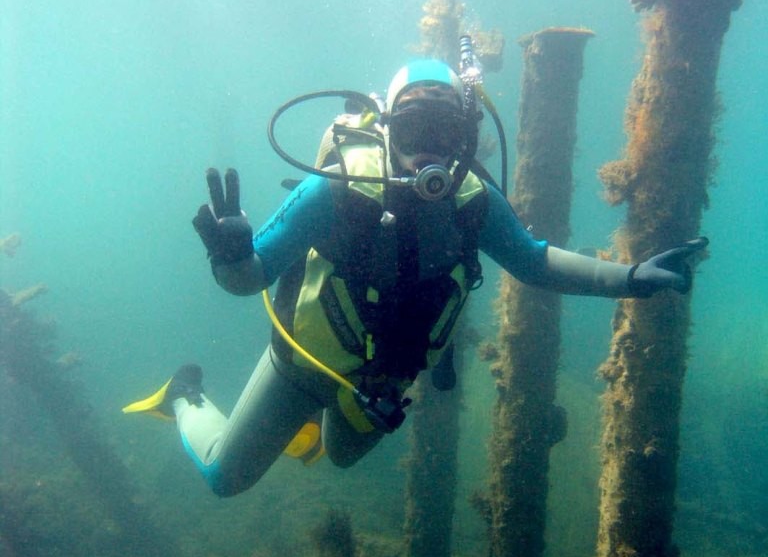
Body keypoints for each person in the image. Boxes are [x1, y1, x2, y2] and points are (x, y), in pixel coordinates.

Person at [124, 58, 707, 497]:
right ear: (387, 129)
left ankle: (308, 428)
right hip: (302, 366)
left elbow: (535, 262)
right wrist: (231, 258)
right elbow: (250, 279)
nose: (427, 152)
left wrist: (632, 277)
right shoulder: (337, 186)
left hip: (382, 381)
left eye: (443, 133)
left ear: (465, 138)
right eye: (412, 130)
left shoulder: (473, 202)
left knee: (342, 457)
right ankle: (184, 396)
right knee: (226, 477)